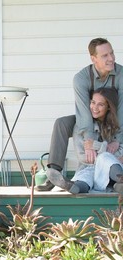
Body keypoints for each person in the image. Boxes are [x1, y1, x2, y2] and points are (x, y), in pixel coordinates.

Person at [36, 37, 123, 191]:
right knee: (61, 123)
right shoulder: (81, 78)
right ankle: (53, 174)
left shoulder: (121, 75)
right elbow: (83, 111)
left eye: (112, 53)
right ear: (93, 58)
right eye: (105, 56)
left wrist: (117, 139)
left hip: (115, 119)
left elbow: (122, 109)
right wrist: (89, 143)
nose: (111, 58)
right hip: (90, 118)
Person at [47, 87, 123, 194]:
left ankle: (120, 181)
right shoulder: (81, 126)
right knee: (84, 177)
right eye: (93, 102)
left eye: (100, 104)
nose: (95, 108)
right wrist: (107, 148)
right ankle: (71, 186)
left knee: (106, 158)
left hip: (113, 169)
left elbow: (120, 152)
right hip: (89, 167)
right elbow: (83, 156)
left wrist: (96, 146)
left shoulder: (116, 126)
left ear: (109, 107)